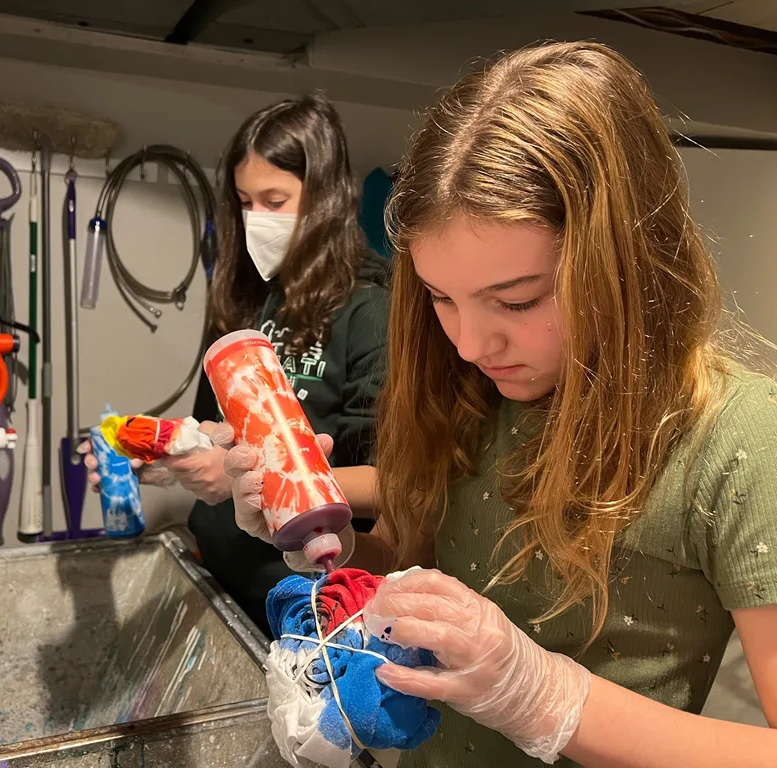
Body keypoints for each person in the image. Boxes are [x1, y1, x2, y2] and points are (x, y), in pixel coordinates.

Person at [222, 42, 777, 766]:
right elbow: (411, 554)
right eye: (442, 299)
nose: (471, 345)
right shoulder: (465, 390)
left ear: (627, 261)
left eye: (516, 301)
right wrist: (327, 538)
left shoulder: (738, 440)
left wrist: (548, 697)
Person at [81, 93, 389, 636]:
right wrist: (164, 456)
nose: (256, 222)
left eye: (274, 200)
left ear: (326, 197)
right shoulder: (246, 299)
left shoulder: (370, 310)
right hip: (223, 573)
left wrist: (249, 485)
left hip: (308, 594)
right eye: (245, 203)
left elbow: (389, 482)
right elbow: (216, 432)